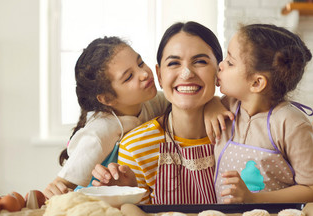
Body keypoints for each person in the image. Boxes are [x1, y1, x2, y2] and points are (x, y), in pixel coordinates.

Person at [205, 23, 313, 209]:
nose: (220, 65)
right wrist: (210, 104)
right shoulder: (226, 106)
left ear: (256, 82)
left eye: (230, 62)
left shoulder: (291, 123)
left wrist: (253, 199)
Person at [91, 21, 222, 204]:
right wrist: (127, 200)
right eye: (174, 63)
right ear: (159, 76)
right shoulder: (135, 149)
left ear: (219, 71)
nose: (186, 73)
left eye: (200, 61)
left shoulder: (242, 133)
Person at [43, 36, 170, 199]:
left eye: (140, 63)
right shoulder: (99, 131)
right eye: (129, 77)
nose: (144, 73)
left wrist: (213, 104)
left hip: (134, 199)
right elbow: (62, 184)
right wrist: (53, 192)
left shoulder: (153, 102)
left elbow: (186, 104)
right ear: (107, 98)